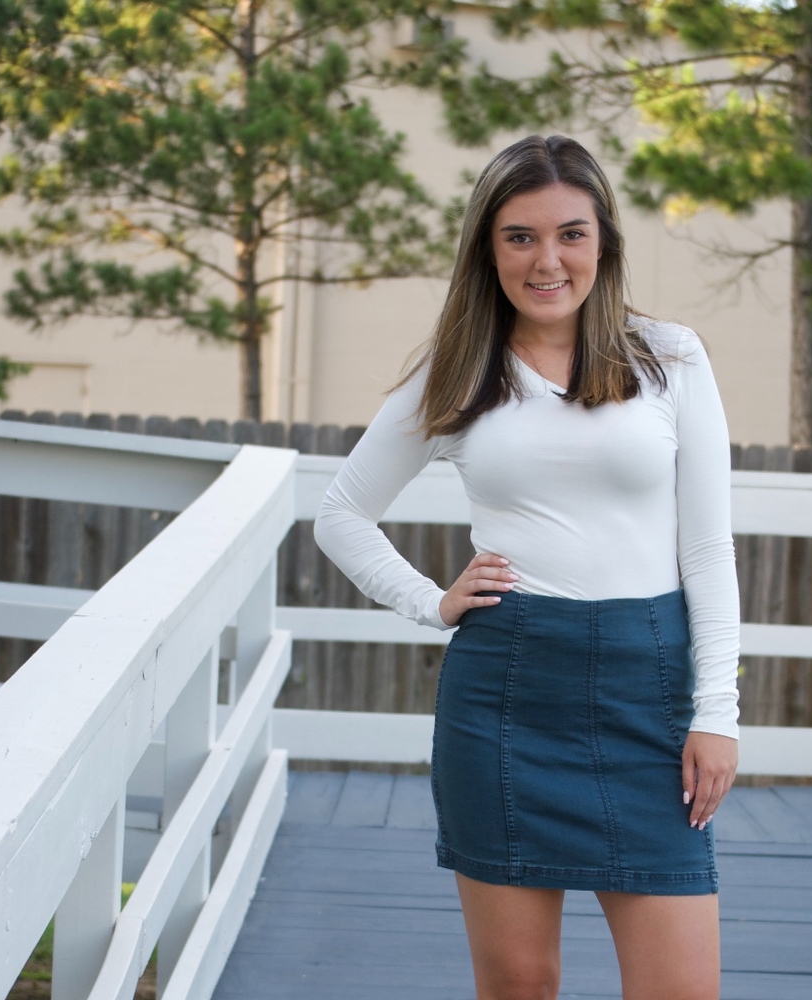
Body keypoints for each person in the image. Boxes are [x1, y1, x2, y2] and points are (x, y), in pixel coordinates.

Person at [314, 134, 740, 1000]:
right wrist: (430, 601)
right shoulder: (456, 374)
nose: (548, 261)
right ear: (488, 248)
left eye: (570, 234)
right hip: (506, 701)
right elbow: (341, 514)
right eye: (520, 237)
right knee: (519, 986)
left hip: (650, 697)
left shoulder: (671, 357)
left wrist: (718, 712)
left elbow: (707, 548)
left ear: (603, 241)